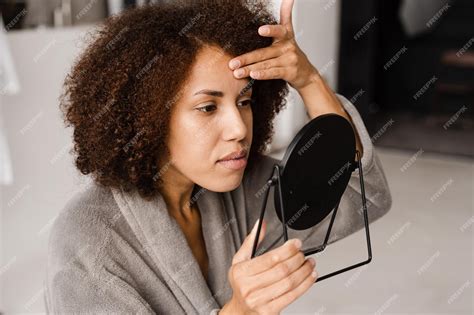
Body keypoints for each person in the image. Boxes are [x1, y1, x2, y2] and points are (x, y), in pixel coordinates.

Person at [45, 0, 392, 314]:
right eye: (208, 107)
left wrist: (308, 80)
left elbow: (360, 194)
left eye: (244, 102)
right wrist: (240, 311)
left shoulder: (241, 185)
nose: (238, 129)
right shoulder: (87, 241)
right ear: (148, 120)